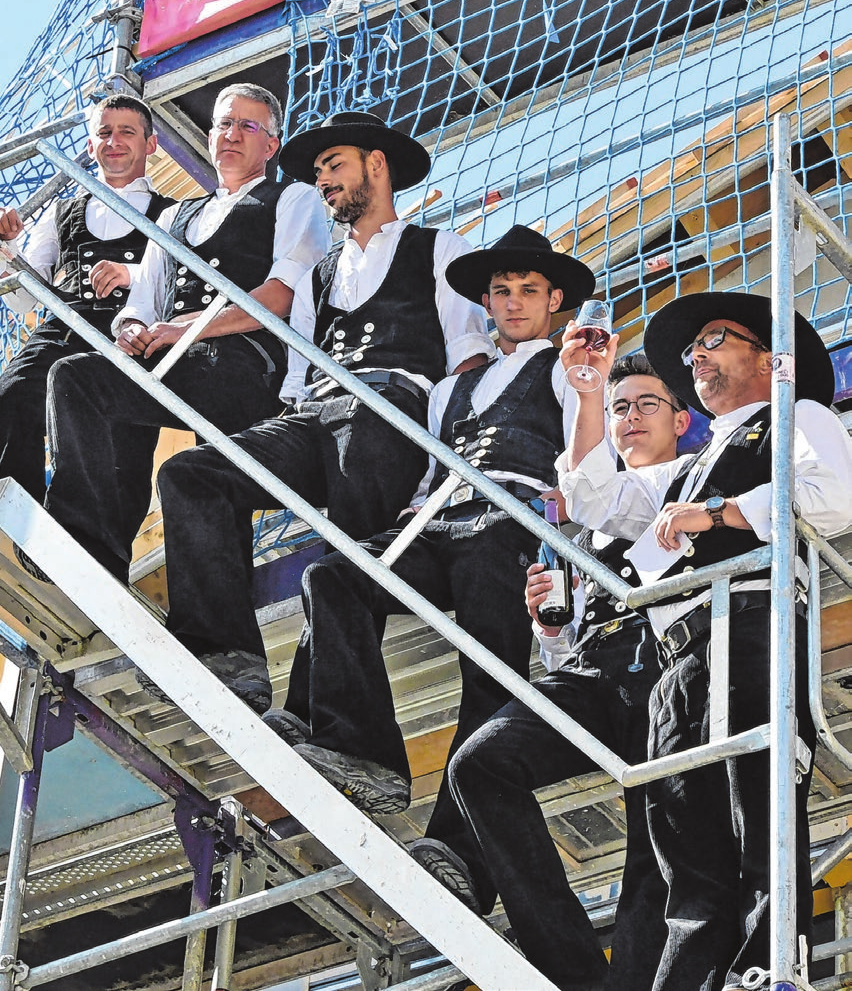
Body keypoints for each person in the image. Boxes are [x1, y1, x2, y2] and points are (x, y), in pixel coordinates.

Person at [264, 225, 595, 923]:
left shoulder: (568, 371)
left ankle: (462, 857)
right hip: (438, 521)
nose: (511, 303)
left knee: (490, 674)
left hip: (509, 526)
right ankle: (362, 747)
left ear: (555, 298)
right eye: (500, 292)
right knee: (334, 577)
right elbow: (427, 472)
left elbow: (586, 461)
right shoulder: (453, 389)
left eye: (528, 291)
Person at [149, 111, 496, 713]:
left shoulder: (439, 248)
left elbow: (467, 362)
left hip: (394, 412)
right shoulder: (316, 276)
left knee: (345, 549)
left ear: (377, 166)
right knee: (192, 473)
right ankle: (223, 653)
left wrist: (446, 464)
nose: (324, 181)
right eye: (317, 172)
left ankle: (322, 717)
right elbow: (297, 384)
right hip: (317, 413)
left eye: (334, 166)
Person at [562, 292, 852, 991]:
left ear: (766, 356)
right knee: (685, 858)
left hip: (753, 632)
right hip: (681, 663)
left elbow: (839, 496)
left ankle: (764, 972)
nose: (695, 355)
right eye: (691, 349)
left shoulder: (795, 416)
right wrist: (588, 394)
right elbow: (593, 499)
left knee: (761, 827)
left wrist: (721, 512)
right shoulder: (690, 465)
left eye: (714, 338)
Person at [448, 346, 691, 991]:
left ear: (680, 421)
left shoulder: (693, 480)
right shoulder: (583, 524)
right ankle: (570, 973)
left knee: (654, 842)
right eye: (619, 409)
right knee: (480, 761)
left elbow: (605, 494)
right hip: (592, 672)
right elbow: (566, 642)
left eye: (647, 405)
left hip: (665, 667)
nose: (631, 418)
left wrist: (585, 394)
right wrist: (550, 628)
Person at [40, 83, 328, 590]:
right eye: (223, 124)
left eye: (248, 126)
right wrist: (130, 330)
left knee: (204, 475)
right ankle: (88, 548)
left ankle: (214, 630)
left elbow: (283, 295)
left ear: (272, 144)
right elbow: (141, 302)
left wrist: (187, 329)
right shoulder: (174, 215)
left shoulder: (293, 197)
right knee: (77, 377)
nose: (231, 135)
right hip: (178, 361)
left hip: (246, 365)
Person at [0, 94, 173, 500]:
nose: (114, 141)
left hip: (131, 337)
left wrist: (130, 274)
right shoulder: (61, 211)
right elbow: (23, 301)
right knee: (11, 396)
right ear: (91, 145)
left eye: (127, 132)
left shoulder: (175, 213)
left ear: (150, 144)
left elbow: (184, 285)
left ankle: (102, 557)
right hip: (65, 327)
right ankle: (18, 512)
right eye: (104, 132)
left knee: (121, 461)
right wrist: (5, 250)